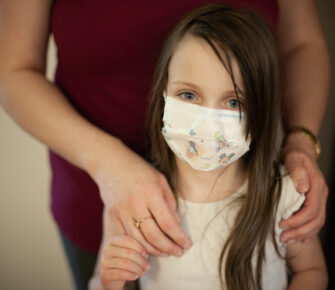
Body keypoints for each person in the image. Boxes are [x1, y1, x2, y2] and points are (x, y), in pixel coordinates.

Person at [0, 1, 329, 289]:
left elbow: (312, 271)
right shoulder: (128, 212)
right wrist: (111, 281)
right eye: (188, 95)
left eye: (233, 103)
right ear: (162, 99)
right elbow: (12, 69)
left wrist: (301, 139)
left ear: (261, 111)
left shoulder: (283, 198)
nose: (207, 119)